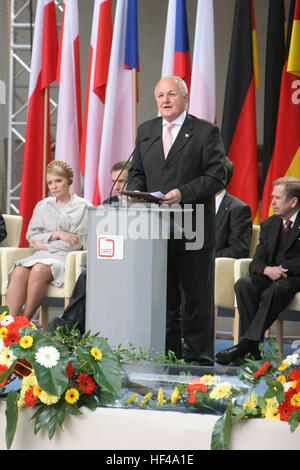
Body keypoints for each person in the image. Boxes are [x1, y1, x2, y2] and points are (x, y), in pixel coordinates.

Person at [126, 75, 227, 365]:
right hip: (156, 228)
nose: (165, 101)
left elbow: (216, 176)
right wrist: (135, 190)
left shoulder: (206, 132)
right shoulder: (147, 130)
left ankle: (199, 361)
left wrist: (182, 193)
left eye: (171, 94)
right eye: (160, 96)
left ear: (185, 98)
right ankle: (168, 357)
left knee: (195, 299)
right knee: (163, 299)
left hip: (194, 224)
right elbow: (137, 171)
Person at [216, 176, 300, 366]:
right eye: (272, 197)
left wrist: (283, 269)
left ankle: (245, 344)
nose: (273, 202)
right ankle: (252, 351)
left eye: (278, 198)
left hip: (294, 277)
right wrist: (266, 269)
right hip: (271, 275)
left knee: (277, 289)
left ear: (293, 201)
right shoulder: (269, 224)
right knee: (244, 285)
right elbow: (257, 260)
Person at [48, 160, 131, 333]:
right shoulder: (108, 204)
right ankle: (70, 327)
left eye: (122, 181)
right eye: (114, 181)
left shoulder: (144, 206)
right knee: (87, 275)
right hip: (112, 259)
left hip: (133, 264)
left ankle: (70, 329)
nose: (116, 186)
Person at [6, 160, 91, 320]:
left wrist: (44, 244)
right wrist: (57, 234)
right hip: (40, 256)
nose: (54, 186)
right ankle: (7, 325)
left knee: (38, 269)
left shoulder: (83, 207)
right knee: (18, 271)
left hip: (64, 258)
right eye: (50, 182)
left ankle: (24, 321)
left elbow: (75, 244)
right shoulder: (42, 206)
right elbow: (31, 238)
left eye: (58, 181)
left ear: (69, 180)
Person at [215, 157, 252, 258]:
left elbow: (238, 251)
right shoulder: (196, 205)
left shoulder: (239, 209)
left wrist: (202, 259)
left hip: (216, 269)